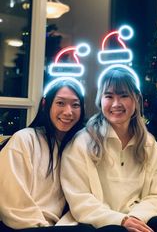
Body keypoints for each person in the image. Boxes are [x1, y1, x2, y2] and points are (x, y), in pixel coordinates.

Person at [61, 66, 157, 232]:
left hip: (141, 219)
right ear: (100, 100)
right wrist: (121, 220)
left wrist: (135, 218)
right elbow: (80, 200)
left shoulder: (148, 144)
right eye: (109, 96)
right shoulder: (82, 142)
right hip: (98, 223)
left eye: (124, 95)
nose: (116, 103)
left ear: (136, 99)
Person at [0, 77, 123, 232]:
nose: (68, 112)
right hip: (24, 226)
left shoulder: (80, 146)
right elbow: (13, 204)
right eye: (60, 103)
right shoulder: (24, 140)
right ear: (46, 104)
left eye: (75, 105)